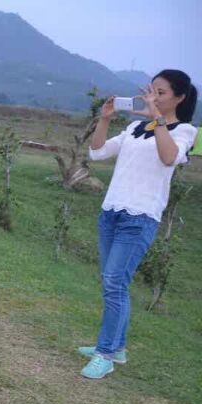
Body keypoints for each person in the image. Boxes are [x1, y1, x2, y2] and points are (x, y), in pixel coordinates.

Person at [79, 70, 197, 380]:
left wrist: (156, 117)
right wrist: (105, 119)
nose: (152, 97)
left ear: (180, 97)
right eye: (150, 90)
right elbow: (97, 153)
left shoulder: (185, 131)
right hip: (111, 212)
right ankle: (116, 348)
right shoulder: (134, 127)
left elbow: (169, 157)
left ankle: (106, 354)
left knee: (114, 283)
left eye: (161, 92)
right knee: (114, 283)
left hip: (140, 217)